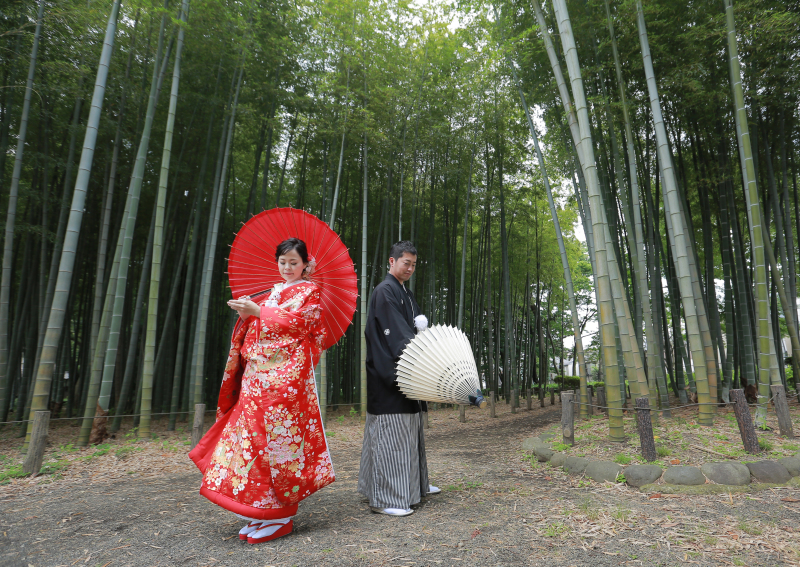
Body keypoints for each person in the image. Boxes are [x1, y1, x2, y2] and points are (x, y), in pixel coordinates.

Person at [189, 238, 335, 544]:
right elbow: (259, 332)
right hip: (257, 383)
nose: (287, 268)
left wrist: (260, 312)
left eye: (294, 263)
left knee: (279, 448)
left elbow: (301, 326)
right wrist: (248, 318)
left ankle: (280, 516)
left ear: (306, 264)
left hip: (284, 387)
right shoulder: (273, 292)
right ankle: (258, 511)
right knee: (252, 446)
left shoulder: (309, 291)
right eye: (282, 262)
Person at [358, 240, 440, 517]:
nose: (410, 268)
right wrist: (419, 353)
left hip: (406, 370)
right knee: (390, 436)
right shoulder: (385, 291)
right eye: (406, 262)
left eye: (414, 264)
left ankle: (413, 486)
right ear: (392, 262)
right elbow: (397, 334)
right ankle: (384, 498)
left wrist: (425, 337)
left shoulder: (405, 291)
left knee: (407, 433)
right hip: (389, 372)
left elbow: (415, 327)